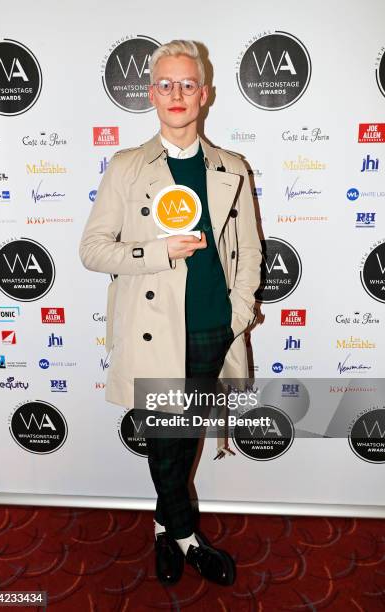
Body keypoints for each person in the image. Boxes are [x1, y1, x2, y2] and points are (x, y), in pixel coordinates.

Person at [79, 39, 261, 586]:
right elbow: (92, 250)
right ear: (151, 95)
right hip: (153, 332)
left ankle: (163, 528)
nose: (176, 94)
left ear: (203, 95)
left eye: (187, 84)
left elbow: (250, 248)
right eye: (165, 84)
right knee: (165, 438)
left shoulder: (232, 168)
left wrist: (239, 310)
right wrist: (157, 251)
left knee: (185, 437)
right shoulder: (129, 166)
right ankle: (186, 536)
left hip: (212, 329)